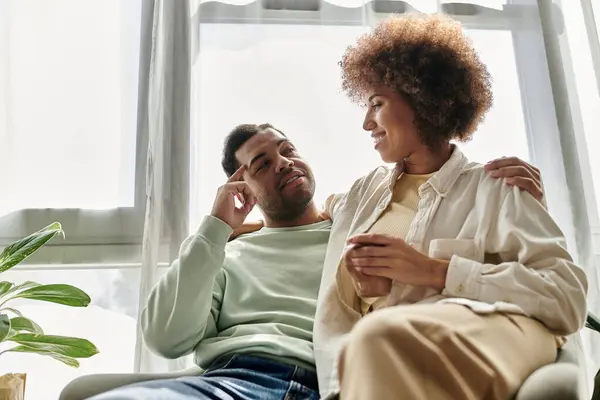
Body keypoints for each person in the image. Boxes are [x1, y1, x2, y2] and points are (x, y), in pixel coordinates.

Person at [90, 123, 543, 400]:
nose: (283, 163)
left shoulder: (356, 227)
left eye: (287, 150)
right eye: (261, 163)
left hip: (324, 379)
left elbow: (443, 227)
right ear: (239, 186)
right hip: (229, 379)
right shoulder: (222, 254)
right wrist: (215, 228)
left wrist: (499, 199)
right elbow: (166, 339)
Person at [312, 13, 588, 400]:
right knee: (376, 338)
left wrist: (435, 271)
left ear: (422, 98)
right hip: (366, 372)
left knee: (380, 337)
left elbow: (566, 297)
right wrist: (234, 227)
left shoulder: (495, 188)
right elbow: (314, 211)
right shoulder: (361, 196)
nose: (366, 124)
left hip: (443, 345)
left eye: (376, 103)